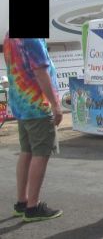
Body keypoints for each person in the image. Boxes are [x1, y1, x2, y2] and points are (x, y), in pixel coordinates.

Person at [3, 36, 63, 222]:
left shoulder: (9, 36)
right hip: (38, 105)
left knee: (26, 151)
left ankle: (22, 201)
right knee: (41, 153)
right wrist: (55, 104)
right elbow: (40, 72)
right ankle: (33, 206)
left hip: (21, 102)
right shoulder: (33, 39)